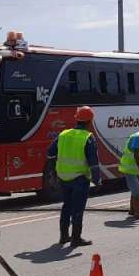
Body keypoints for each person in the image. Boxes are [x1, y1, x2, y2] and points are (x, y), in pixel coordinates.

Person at [47, 105, 102, 246]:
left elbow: (50, 152)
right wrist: (97, 180)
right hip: (79, 178)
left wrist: (54, 172)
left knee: (67, 206)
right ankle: (76, 238)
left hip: (63, 177)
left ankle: (64, 236)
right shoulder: (88, 138)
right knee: (78, 208)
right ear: (90, 122)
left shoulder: (63, 134)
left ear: (76, 120)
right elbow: (93, 163)